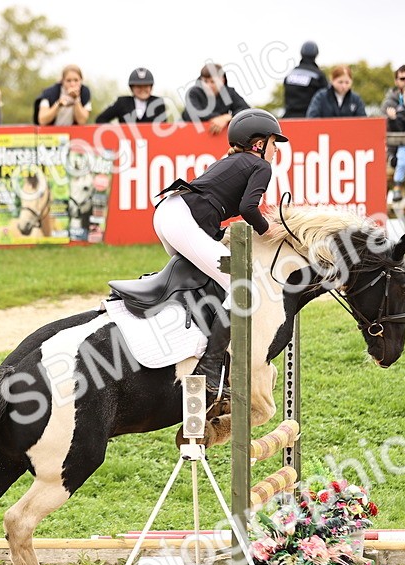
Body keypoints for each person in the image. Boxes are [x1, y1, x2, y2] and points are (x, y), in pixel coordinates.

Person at [150, 108, 286, 398]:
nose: (276, 150)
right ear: (259, 144)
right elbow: (250, 209)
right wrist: (267, 230)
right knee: (241, 287)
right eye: (274, 143)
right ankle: (209, 370)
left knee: (202, 279)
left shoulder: (233, 160)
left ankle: (169, 329)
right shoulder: (260, 166)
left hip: (170, 212)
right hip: (182, 218)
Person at [181, 63, 250, 133]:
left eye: (212, 82)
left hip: (219, 136)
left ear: (222, 81)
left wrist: (228, 118)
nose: (208, 85)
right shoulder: (193, 92)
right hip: (192, 133)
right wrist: (219, 118)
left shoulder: (229, 93)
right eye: (205, 81)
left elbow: (246, 110)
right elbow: (193, 113)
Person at [95, 67, 169, 124]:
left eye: (146, 86)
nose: (142, 90)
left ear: (151, 87)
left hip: (152, 142)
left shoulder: (158, 102)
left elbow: (163, 126)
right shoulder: (122, 102)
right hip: (125, 142)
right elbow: (100, 119)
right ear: (131, 88)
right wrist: (116, 131)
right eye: (139, 86)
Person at [283, 41, 327, 119]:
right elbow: (325, 99)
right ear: (316, 54)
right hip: (309, 119)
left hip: (288, 118)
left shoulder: (290, 74)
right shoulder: (318, 76)